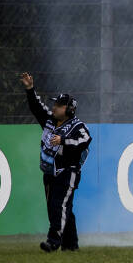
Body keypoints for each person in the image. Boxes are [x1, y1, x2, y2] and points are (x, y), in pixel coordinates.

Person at [20, 72, 91, 252]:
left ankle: (53, 242)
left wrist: (63, 141)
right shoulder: (50, 120)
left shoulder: (78, 127)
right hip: (49, 172)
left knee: (58, 207)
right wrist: (30, 89)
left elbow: (85, 141)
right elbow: (37, 107)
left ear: (69, 110)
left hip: (68, 172)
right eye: (55, 104)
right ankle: (71, 245)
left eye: (59, 105)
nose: (54, 107)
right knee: (62, 209)